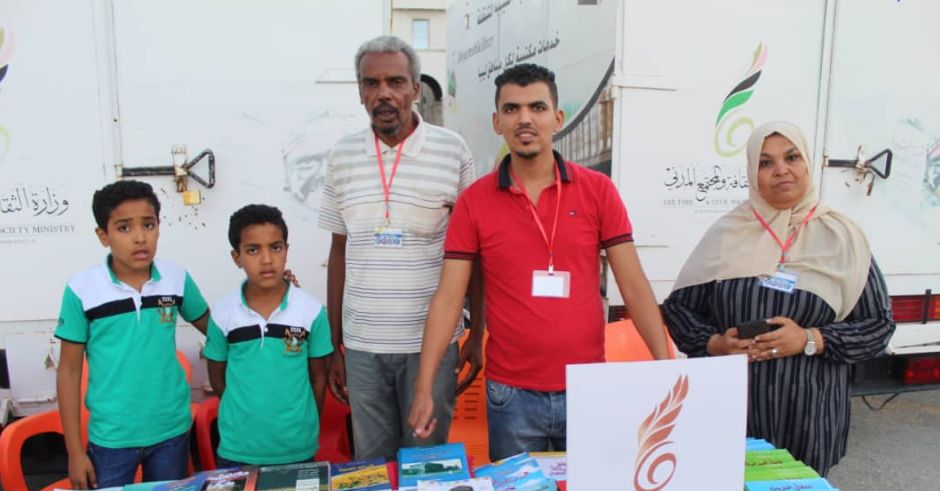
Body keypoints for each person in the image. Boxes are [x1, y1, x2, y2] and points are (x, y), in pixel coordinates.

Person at [408, 63, 669, 460]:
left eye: (537, 107)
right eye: (512, 109)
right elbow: (448, 298)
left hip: (586, 389)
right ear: (497, 121)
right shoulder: (474, 203)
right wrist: (424, 387)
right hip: (511, 395)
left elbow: (633, 285)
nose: (525, 119)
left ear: (557, 118)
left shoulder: (598, 191)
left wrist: (667, 368)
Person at [662, 122, 895, 476]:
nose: (781, 170)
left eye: (792, 157)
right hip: (731, 418)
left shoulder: (842, 237)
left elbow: (879, 325)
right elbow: (679, 308)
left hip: (810, 420)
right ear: (752, 173)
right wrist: (714, 343)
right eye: (766, 163)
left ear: (807, 164)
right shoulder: (728, 234)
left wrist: (810, 339)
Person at [319, 35, 482, 461]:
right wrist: (335, 344)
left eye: (395, 82)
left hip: (431, 345)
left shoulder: (452, 151)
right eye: (371, 83)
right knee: (372, 465)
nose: (383, 94)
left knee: (426, 462)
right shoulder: (342, 156)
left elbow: (473, 254)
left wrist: (477, 331)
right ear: (360, 92)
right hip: (362, 346)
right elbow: (338, 252)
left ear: (415, 88)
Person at [55, 180, 209, 489]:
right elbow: (69, 372)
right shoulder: (82, 290)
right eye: (124, 228)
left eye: (148, 225)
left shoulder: (176, 279)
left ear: (158, 228)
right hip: (111, 438)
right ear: (103, 235)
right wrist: (74, 453)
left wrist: (277, 294)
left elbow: (219, 334)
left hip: (171, 431)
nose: (140, 237)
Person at [204, 205, 332, 466]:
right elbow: (218, 379)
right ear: (237, 257)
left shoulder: (311, 311)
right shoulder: (222, 313)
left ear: (286, 250)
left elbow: (318, 378)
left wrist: (305, 424)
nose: (266, 259)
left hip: (296, 447)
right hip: (238, 448)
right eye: (253, 250)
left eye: (275, 247)